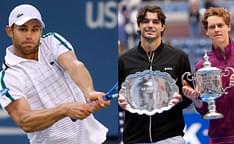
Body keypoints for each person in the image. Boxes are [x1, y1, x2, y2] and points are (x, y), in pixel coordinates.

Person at [0, 4, 110, 144]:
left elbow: (75, 66)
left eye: (35, 30)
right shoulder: (8, 77)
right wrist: (64, 110)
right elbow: (25, 121)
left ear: (41, 30)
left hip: (95, 140)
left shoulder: (52, 41)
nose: (29, 35)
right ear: (10, 31)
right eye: (23, 29)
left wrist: (89, 92)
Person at [118, 5, 192, 144]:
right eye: (145, 21)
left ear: (163, 27)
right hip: (134, 138)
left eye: (155, 22)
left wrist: (182, 98)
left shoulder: (179, 57)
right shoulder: (124, 60)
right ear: (139, 25)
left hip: (170, 138)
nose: (150, 25)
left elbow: (189, 97)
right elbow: (117, 97)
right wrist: (120, 102)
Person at [183, 7, 234, 144]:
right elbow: (204, 109)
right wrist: (196, 99)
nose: (216, 29)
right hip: (220, 138)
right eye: (212, 27)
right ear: (207, 32)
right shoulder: (202, 66)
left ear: (228, 27)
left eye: (220, 25)